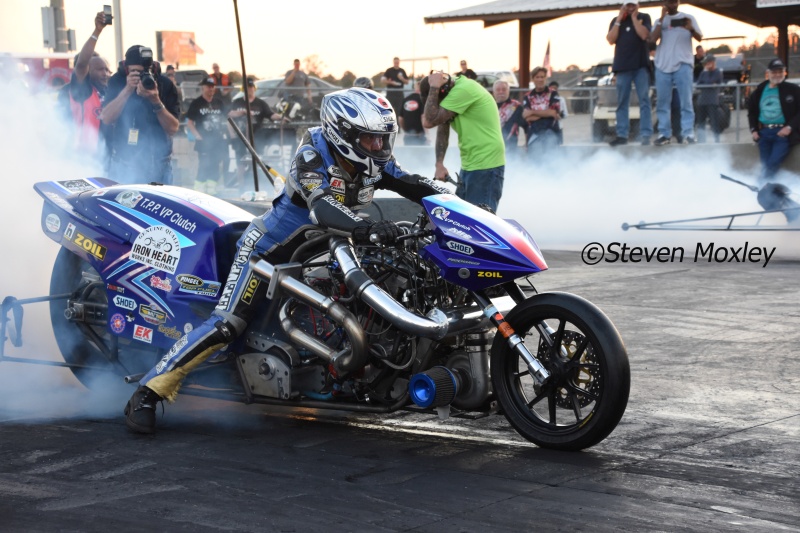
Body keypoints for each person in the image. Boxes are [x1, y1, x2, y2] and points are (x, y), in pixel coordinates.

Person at [123, 87, 450, 434]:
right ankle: (148, 392)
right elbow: (322, 206)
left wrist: (460, 205)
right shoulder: (313, 155)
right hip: (267, 251)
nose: (379, 146)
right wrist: (367, 228)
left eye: (383, 138)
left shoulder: (373, 162)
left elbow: (413, 183)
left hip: (322, 251)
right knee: (228, 324)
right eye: (370, 138)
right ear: (344, 134)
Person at [420, 71, 505, 213]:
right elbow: (442, 128)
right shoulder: (452, 91)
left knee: (478, 219)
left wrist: (433, 87)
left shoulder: (463, 90)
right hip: (470, 164)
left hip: (486, 164)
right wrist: (439, 163)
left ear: (442, 90)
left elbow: (428, 122)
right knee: (462, 217)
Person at [101, 45, 180, 185]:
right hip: (125, 163)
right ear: (127, 69)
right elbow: (106, 118)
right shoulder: (117, 81)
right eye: (135, 72)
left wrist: (156, 100)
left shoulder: (164, 84)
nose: (140, 76)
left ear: (152, 68)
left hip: (159, 164)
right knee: (123, 199)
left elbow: (173, 129)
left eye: (144, 72)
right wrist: (127, 90)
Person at [57, 11, 111, 160]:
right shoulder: (83, 90)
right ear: (88, 71)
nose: (105, 73)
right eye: (100, 70)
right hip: (85, 160)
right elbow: (81, 64)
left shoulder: (110, 91)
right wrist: (97, 32)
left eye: (107, 69)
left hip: (108, 160)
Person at [650, 0, 703, 146]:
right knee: (662, 103)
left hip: (683, 64)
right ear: (664, 3)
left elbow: (700, 37)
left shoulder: (688, 18)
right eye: (669, 2)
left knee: (686, 101)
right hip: (663, 65)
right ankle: (664, 134)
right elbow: (652, 39)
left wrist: (690, 29)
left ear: (678, 2)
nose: (672, 5)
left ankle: (688, 133)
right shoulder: (659, 21)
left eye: (674, 2)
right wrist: (662, 19)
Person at [606, 0, 653, 146]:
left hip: (640, 66)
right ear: (624, 6)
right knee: (622, 102)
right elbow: (610, 39)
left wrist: (634, 18)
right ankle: (622, 135)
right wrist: (619, 19)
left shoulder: (644, 17)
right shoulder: (616, 20)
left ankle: (645, 134)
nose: (631, 8)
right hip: (622, 68)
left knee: (644, 100)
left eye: (633, 5)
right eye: (628, 5)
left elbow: (644, 35)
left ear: (637, 5)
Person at [227, 77, 288, 186]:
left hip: (256, 137)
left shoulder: (260, 103)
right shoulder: (237, 102)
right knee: (240, 163)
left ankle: (254, 185)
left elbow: (270, 115)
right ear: (243, 89)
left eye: (251, 87)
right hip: (240, 137)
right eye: (247, 87)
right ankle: (241, 186)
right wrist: (243, 112)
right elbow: (230, 114)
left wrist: (281, 117)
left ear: (254, 88)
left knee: (256, 162)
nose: (250, 89)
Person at [748, 58, 800, 181]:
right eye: (774, 72)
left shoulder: (793, 89)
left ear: (784, 72)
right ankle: (768, 188)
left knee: (773, 162)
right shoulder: (759, 91)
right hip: (764, 133)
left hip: (782, 134)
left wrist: (789, 127)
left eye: (780, 71)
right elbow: (752, 113)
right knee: (765, 164)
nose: (777, 75)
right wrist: (754, 130)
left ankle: (760, 184)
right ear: (768, 73)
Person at [186, 77, 228, 194]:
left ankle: (211, 191)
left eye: (212, 86)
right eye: (208, 87)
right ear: (203, 87)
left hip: (217, 141)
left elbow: (228, 115)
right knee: (204, 165)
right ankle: (198, 191)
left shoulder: (219, 102)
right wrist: (198, 136)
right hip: (203, 141)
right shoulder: (196, 103)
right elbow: (190, 123)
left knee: (215, 165)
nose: (211, 89)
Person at [521, 67, 562, 157]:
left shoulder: (553, 93)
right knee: (534, 162)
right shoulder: (528, 96)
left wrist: (532, 112)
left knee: (552, 160)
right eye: (537, 77)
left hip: (551, 133)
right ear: (533, 79)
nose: (540, 79)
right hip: (534, 134)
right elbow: (527, 117)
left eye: (542, 77)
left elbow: (554, 113)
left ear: (545, 78)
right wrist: (547, 113)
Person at [695, 54, 723, 143]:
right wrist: (708, 82)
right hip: (702, 101)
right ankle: (701, 141)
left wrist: (707, 82)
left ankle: (717, 141)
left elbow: (710, 81)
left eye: (707, 63)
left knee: (714, 122)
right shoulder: (703, 73)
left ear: (712, 62)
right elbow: (698, 85)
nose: (705, 65)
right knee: (701, 122)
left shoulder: (717, 72)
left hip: (712, 101)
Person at [493, 80, 524, 154]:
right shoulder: (488, 106)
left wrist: (525, 145)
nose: (501, 92)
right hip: (492, 146)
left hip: (511, 146)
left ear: (508, 91)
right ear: (493, 92)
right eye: (498, 90)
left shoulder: (517, 106)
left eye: (504, 89)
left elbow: (526, 126)